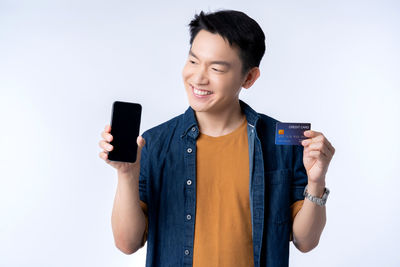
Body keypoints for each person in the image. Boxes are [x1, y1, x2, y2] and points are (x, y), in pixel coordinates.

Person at [99, 9, 335, 267]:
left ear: (249, 77)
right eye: (193, 61)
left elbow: (306, 241)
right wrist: (126, 174)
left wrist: (316, 181)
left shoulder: (281, 142)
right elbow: (127, 243)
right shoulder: (154, 144)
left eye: (216, 68)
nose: (199, 77)